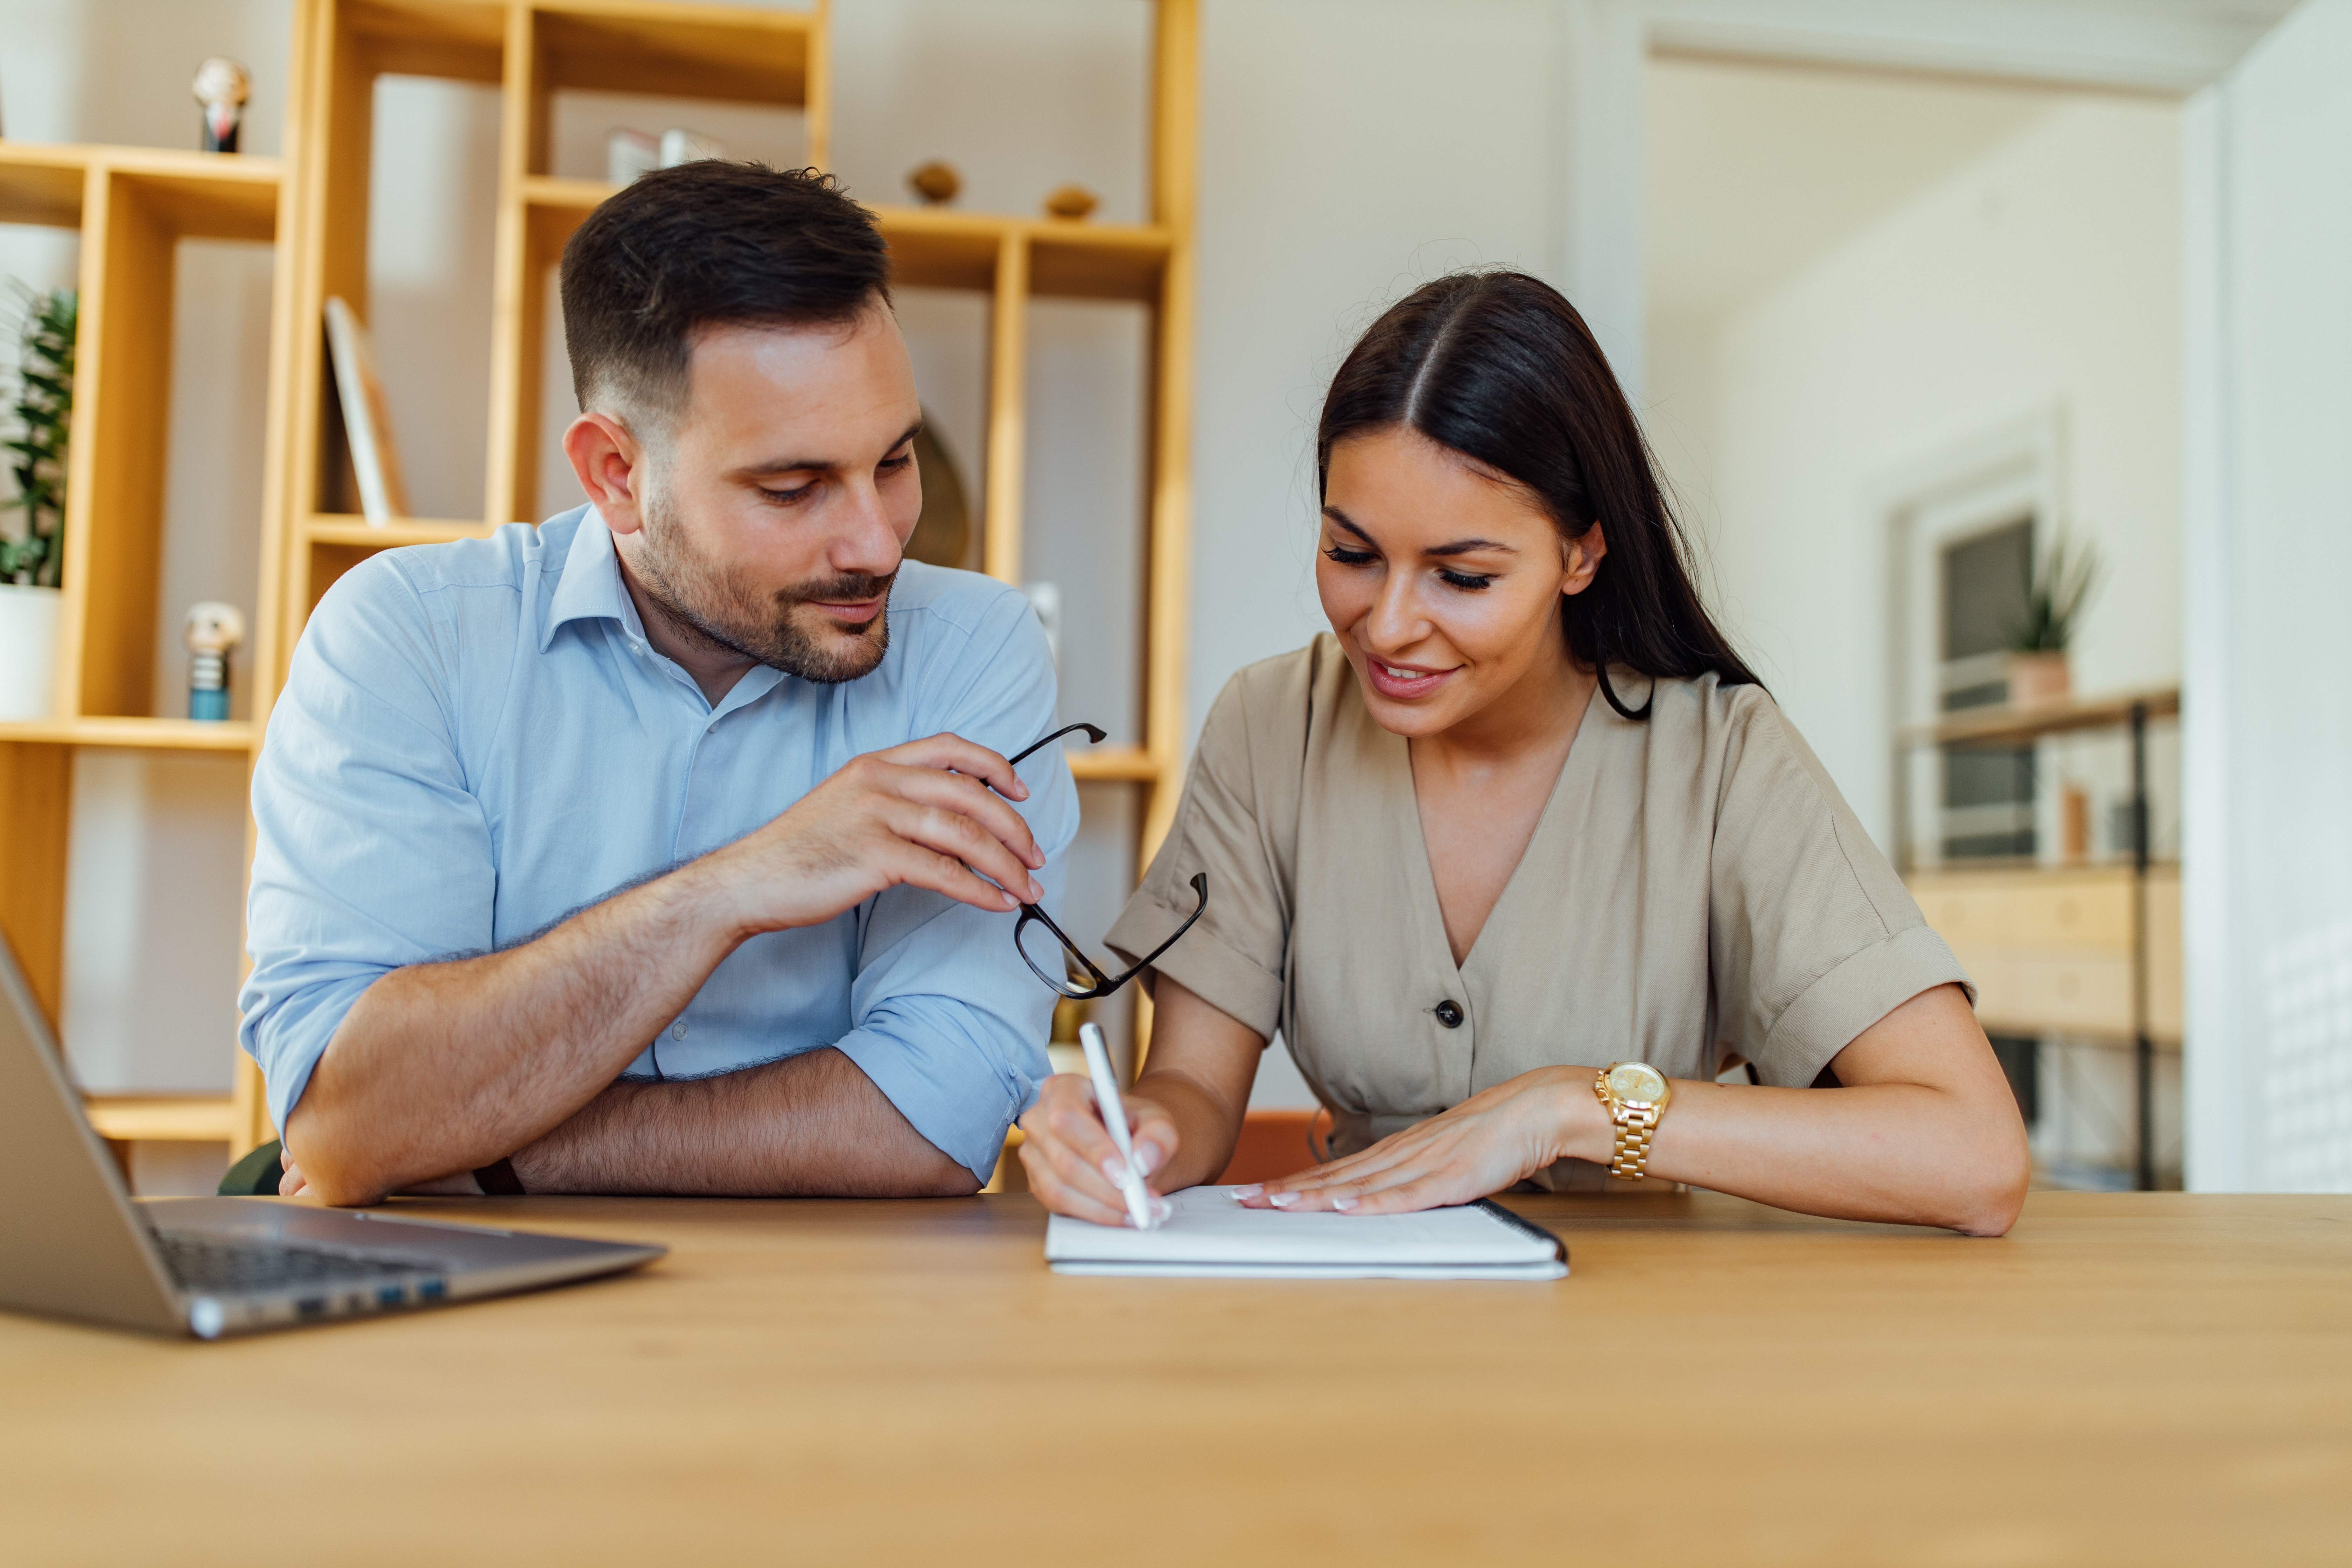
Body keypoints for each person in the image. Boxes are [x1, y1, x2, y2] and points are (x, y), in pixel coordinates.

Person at [1018, 271, 2031, 1236]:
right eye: (1351, 555)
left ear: (1581, 554)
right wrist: (1135, 1138)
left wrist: (1569, 1109)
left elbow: (1975, 1155)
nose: (1390, 625)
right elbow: (1192, 1085)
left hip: (1637, 1349)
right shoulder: (1269, 726)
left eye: (1461, 576)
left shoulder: (1722, 760)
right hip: (1361, 1322)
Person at [240, 163, 1076, 1206]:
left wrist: (488, 1148)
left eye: (895, 462)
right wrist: (734, 888)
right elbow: (349, 1118)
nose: (876, 540)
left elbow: (937, 1122)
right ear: (615, 476)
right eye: (794, 486)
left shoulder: (972, 649)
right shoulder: (409, 635)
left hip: (829, 1314)